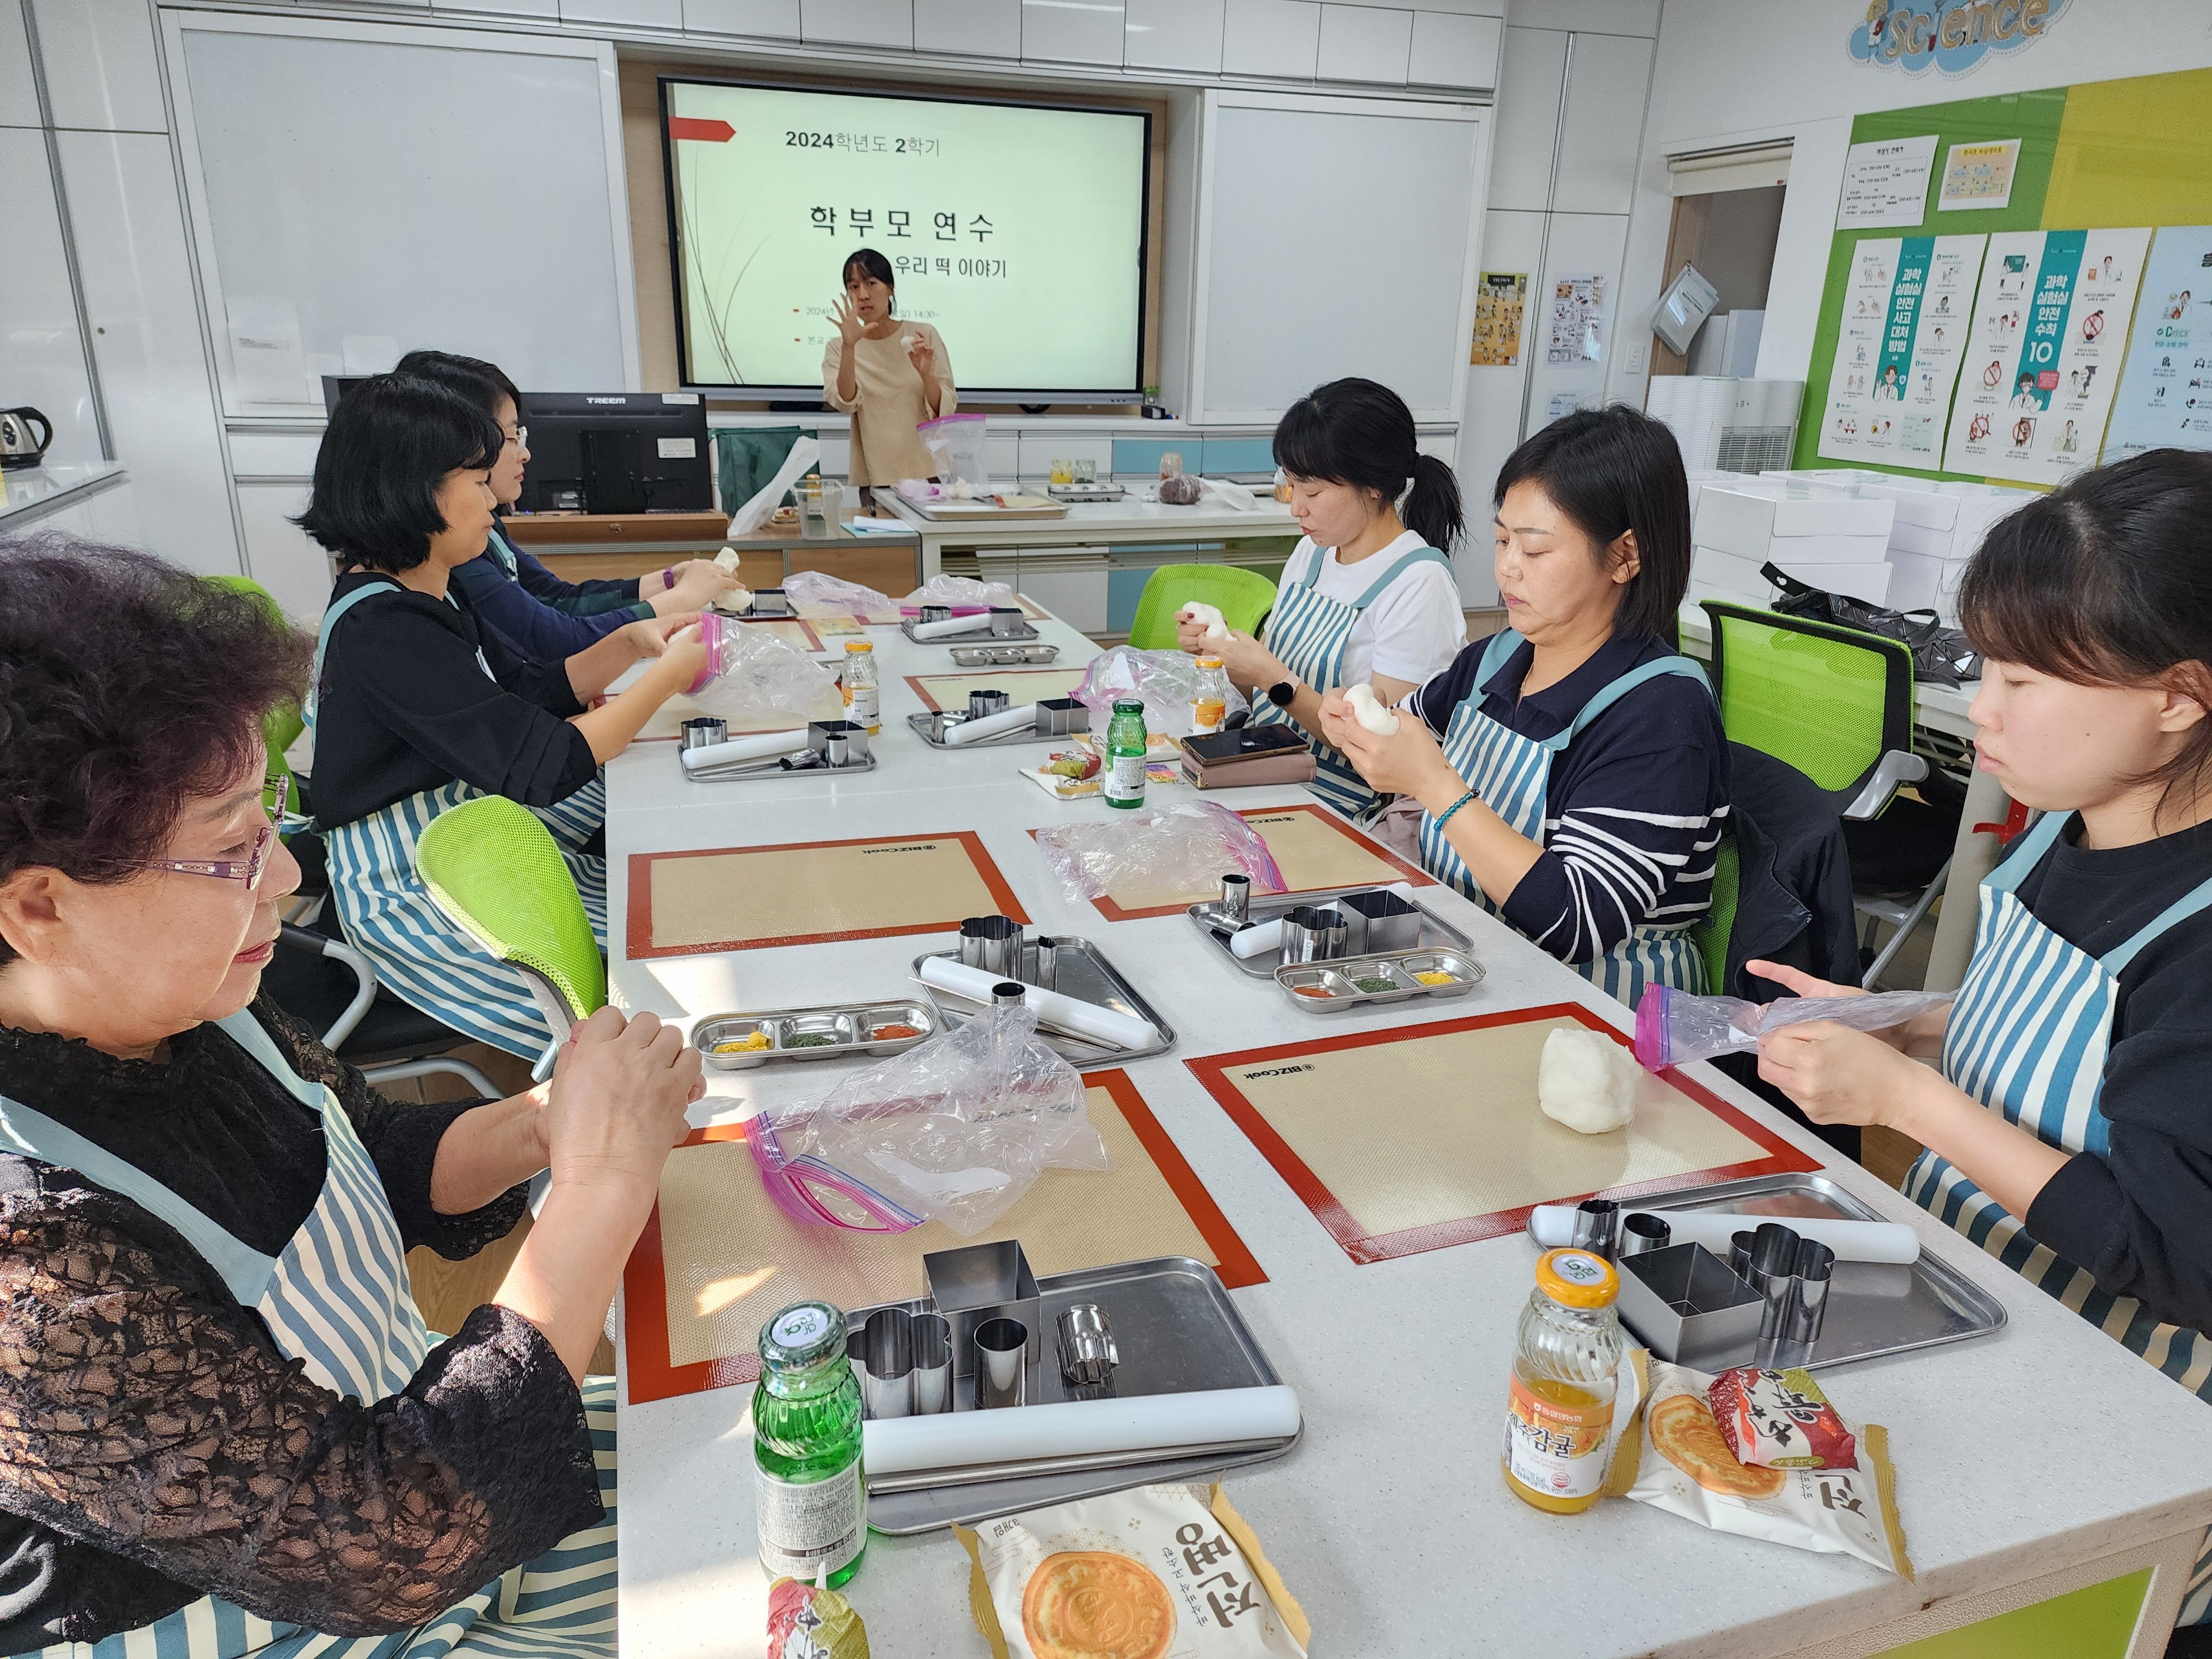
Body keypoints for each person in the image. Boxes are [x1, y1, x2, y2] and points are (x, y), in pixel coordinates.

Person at [0, 535, 703, 1655]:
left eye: (265, 817)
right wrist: (600, 1184)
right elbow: (388, 1535)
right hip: (328, 1592)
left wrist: (545, 1122)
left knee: (764, 1442)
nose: (284, 874)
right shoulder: (31, 1259)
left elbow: (368, 1155)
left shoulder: (188, 1001)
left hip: (428, 1452)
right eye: (230, 848)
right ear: (41, 909)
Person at [1746, 449, 2212, 1631]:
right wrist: (1901, 1022)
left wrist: (1903, 1101)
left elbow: (2172, 1252)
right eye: (1981, 665)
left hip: (2120, 1411)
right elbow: (2080, 1042)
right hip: (1984, 1310)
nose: (1981, 709)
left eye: (2024, 678)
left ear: (2177, 694)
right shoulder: (2083, 820)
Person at [299, 372, 705, 1059]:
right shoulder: (383, 626)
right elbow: (542, 764)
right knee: (639, 1019)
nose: (495, 503)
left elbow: (520, 694)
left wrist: (625, 648)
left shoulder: (429, 589)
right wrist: (663, 681)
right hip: (424, 889)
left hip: (472, 843)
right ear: (413, 487)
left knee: (671, 923)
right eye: (479, 482)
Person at [1318, 405, 1728, 1007]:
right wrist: (1358, 726)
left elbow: (1576, 921)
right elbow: (1406, 730)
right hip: (1466, 963)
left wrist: (1434, 783)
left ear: (1625, 556)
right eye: (1503, 539)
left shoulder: (1661, 711)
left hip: (1597, 1012)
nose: (1506, 567)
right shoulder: (1499, 658)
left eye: (1534, 551)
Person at [1175, 378, 1466, 821]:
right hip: (1267, 773)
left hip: (1344, 808)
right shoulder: (1312, 553)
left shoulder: (1419, 584)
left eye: (1312, 492)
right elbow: (1260, 693)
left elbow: (1386, 751)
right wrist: (1222, 659)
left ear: (1372, 484)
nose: (1296, 508)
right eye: (1290, 486)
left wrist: (1276, 679)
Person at [394, 349, 741, 660]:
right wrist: (681, 601)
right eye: (512, 437)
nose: (524, 453)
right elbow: (557, 640)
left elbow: (556, 599)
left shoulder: (485, 522)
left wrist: (667, 581)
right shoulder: (452, 550)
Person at [823, 247, 954, 489]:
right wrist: (849, 347)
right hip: (876, 479)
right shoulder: (838, 348)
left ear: (890, 288)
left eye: (871, 283)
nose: (863, 295)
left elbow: (944, 409)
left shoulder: (923, 335)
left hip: (929, 473)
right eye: (854, 287)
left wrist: (926, 375)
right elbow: (845, 401)